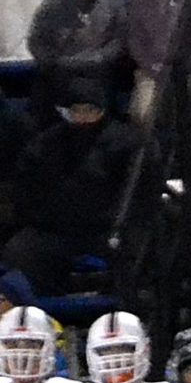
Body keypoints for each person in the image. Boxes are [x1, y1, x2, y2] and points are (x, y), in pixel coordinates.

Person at [1, 76, 141, 294]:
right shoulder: (44, 146)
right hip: (56, 231)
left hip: (109, 231)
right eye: (77, 110)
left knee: (139, 248)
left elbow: (141, 193)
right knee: (20, 249)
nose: (84, 118)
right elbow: (25, 191)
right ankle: (45, 305)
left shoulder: (126, 144)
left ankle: (128, 302)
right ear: (64, 111)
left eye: (91, 110)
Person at [28, 0, 127, 122]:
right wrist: (58, 61)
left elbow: (121, 38)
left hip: (100, 70)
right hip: (61, 71)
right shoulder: (54, 2)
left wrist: (101, 58)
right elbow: (37, 41)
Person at [127, 0, 191, 126]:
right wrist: (151, 66)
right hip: (151, 70)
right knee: (144, 111)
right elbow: (134, 38)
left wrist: (186, 63)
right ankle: (152, 153)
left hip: (190, 69)